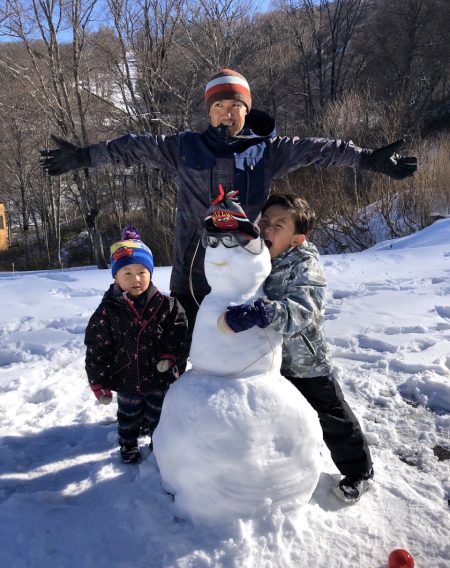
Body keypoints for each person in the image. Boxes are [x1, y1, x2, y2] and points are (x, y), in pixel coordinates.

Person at [41, 67, 417, 359]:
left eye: (235, 105)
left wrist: (367, 159)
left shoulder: (267, 151)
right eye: (218, 105)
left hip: (243, 275)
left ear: (246, 110)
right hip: (190, 272)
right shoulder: (184, 147)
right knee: (180, 351)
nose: (226, 113)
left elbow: (319, 149)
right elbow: (132, 147)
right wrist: (85, 157)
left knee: (241, 346)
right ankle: (174, 428)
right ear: (209, 111)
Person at [221, 194, 373, 502]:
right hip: (267, 361)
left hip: (306, 362)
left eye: (279, 225)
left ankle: (359, 471)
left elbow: (304, 308)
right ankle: (284, 469)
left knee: (331, 415)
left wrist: (262, 313)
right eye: (264, 221)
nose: (267, 230)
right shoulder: (258, 256)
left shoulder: (305, 263)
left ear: (296, 238)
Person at [84, 225, 188, 463]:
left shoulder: (167, 305)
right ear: (116, 276)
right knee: (128, 416)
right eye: (127, 273)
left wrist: (170, 357)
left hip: (159, 378)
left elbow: (178, 332)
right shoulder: (108, 311)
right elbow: (97, 347)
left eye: (142, 271)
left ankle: (158, 445)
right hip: (127, 378)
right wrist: (98, 381)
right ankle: (128, 445)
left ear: (151, 273)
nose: (136, 279)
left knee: (159, 417)